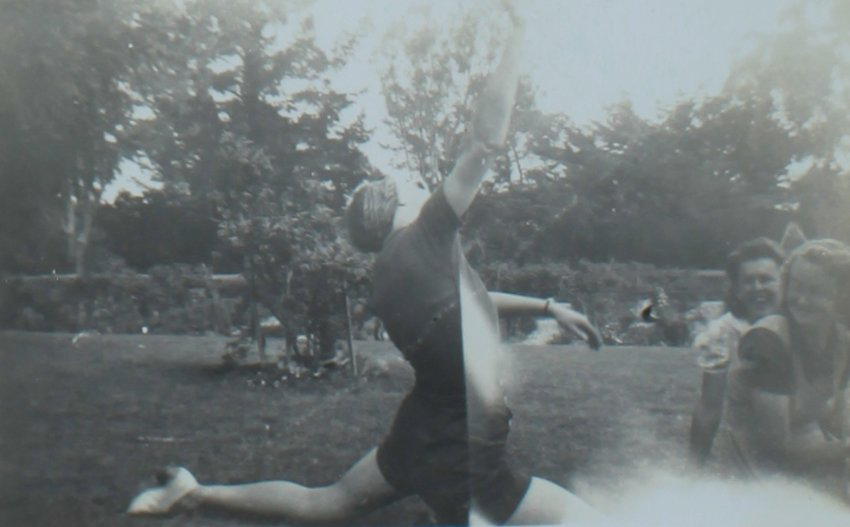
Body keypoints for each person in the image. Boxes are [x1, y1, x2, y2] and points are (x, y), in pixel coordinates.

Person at [128, 8, 602, 525]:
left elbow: (472, 306)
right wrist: (517, 34)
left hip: (425, 425)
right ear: (398, 205)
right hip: (464, 445)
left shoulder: (389, 276)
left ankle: (192, 493)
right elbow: (486, 142)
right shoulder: (428, 232)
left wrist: (547, 306)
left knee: (329, 501)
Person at [718, 239, 850, 500]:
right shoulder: (768, 340)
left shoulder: (842, 342)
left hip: (812, 464)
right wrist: (843, 450)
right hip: (754, 477)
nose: (802, 300)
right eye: (796, 287)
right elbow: (776, 449)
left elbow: (835, 423)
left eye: (817, 292)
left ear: (843, 297)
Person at [688, 237, 784, 467]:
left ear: (783, 282)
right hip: (748, 449)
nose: (758, 288)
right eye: (748, 281)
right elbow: (710, 406)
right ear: (737, 289)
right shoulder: (722, 332)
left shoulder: (798, 323)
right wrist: (693, 468)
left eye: (766, 279)